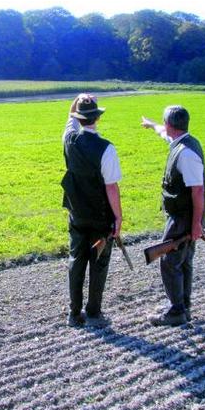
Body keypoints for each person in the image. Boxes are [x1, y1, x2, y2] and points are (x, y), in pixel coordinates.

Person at [141, 105, 205, 326]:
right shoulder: (182, 143)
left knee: (171, 262)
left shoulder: (186, 154)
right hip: (185, 216)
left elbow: (198, 190)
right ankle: (183, 306)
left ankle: (177, 310)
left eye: (163, 123)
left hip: (183, 217)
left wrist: (196, 223)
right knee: (183, 261)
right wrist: (151, 125)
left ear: (171, 125)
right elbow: (163, 133)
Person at [61, 93, 122, 327]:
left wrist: (77, 99)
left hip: (76, 213)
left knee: (76, 260)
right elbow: (111, 187)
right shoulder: (107, 149)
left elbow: (69, 119)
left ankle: (74, 313)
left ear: (78, 116)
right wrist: (118, 217)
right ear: (97, 118)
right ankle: (94, 313)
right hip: (100, 217)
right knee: (99, 262)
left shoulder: (69, 139)